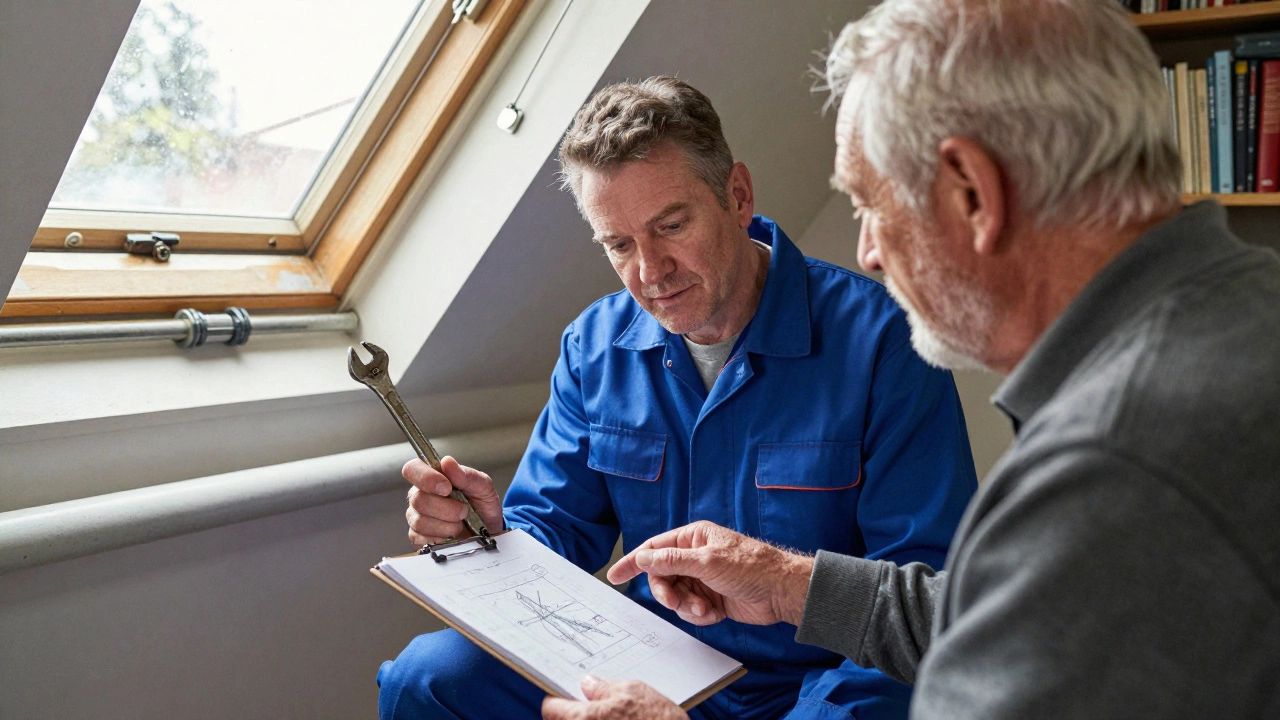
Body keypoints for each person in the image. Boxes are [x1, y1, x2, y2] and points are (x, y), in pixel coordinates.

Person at [541, 1, 1280, 719]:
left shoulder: (1108, 462)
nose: (866, 250)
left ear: (972, 193)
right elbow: (994, 611)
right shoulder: (1242, 311)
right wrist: (791, 583)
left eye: (869, 203)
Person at [375, 77, 979, 720]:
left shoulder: (883, 340)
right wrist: (485, 537)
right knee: (427, 679)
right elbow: (551, 542)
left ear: (737, 196)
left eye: (671, 225)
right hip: (643, 664)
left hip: (815, 689)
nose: (650, 270)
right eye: (620, 244)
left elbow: (927, 605)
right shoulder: (593, 346)